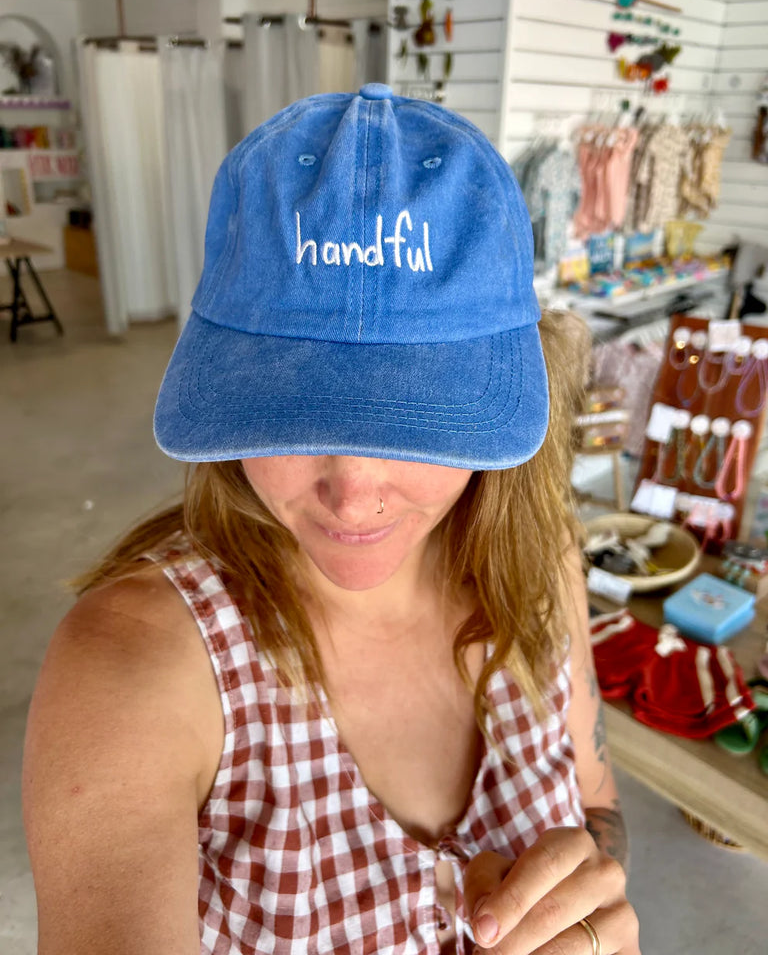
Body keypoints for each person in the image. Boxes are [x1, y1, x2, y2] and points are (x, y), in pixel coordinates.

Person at [23, 83, 640, 955]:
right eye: (294, 416)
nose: (353, 495)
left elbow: (598, 803)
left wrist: (588, 895)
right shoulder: (131, 669)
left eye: (414, 423)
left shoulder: (541, 567)